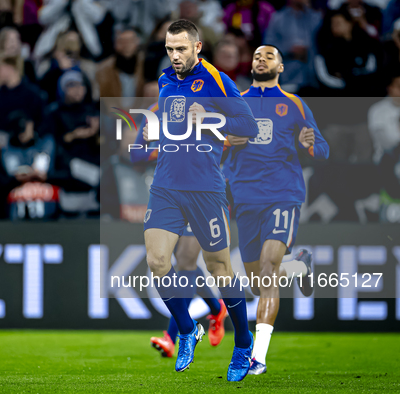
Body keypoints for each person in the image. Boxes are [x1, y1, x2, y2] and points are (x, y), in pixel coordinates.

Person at [140, 19, 258, 380]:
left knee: (219, 268)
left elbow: (249, 127)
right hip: (166, 186)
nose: (174, 56)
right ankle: (188, 330)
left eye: (181, 49)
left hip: (206, 188)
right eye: (169, 49)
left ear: (197, 47)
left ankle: (243, 343)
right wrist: (154, 128)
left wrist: (211, 117)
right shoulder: (164, 80)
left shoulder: (217, 81)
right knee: (158, 262)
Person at [223, 45, 330, 375]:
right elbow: (213, 147)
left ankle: (258, 357)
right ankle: (299, 265)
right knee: (258, 283)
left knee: (269, 270)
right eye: (256, 55)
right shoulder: (235, 103)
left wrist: (310, 142)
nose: (260, 59)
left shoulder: (294, 104)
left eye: (268, 56)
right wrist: (227, 141)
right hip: (245, 200)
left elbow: (322, 150)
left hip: (282, 195)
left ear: (281, 66)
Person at [129, 86, 228, 358]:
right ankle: (216, 308)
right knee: (172, 263)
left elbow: (227, 143)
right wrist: (155, 148)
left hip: (202, 195)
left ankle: (173, 336)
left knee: (185, 262)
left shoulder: (202, 112)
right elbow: (135, 155)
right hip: (169, 196)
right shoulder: (152, 114)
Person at [263, 0, 322, 92]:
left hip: (314, 77)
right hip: (288, 77)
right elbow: (268, 47)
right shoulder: (277, 18)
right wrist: (289, 50)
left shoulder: (315, 17)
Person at [96, 27, 144, 98]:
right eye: (122, 42)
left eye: (130, 41)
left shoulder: (146, 65)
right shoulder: (104, 69)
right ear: (115, 44)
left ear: (137, 42)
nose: (126, 46)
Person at [368, 72, 400, 165]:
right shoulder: (377, 110)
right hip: (387, 161)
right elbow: (385, 143)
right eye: (399, 86)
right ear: (390, 88)